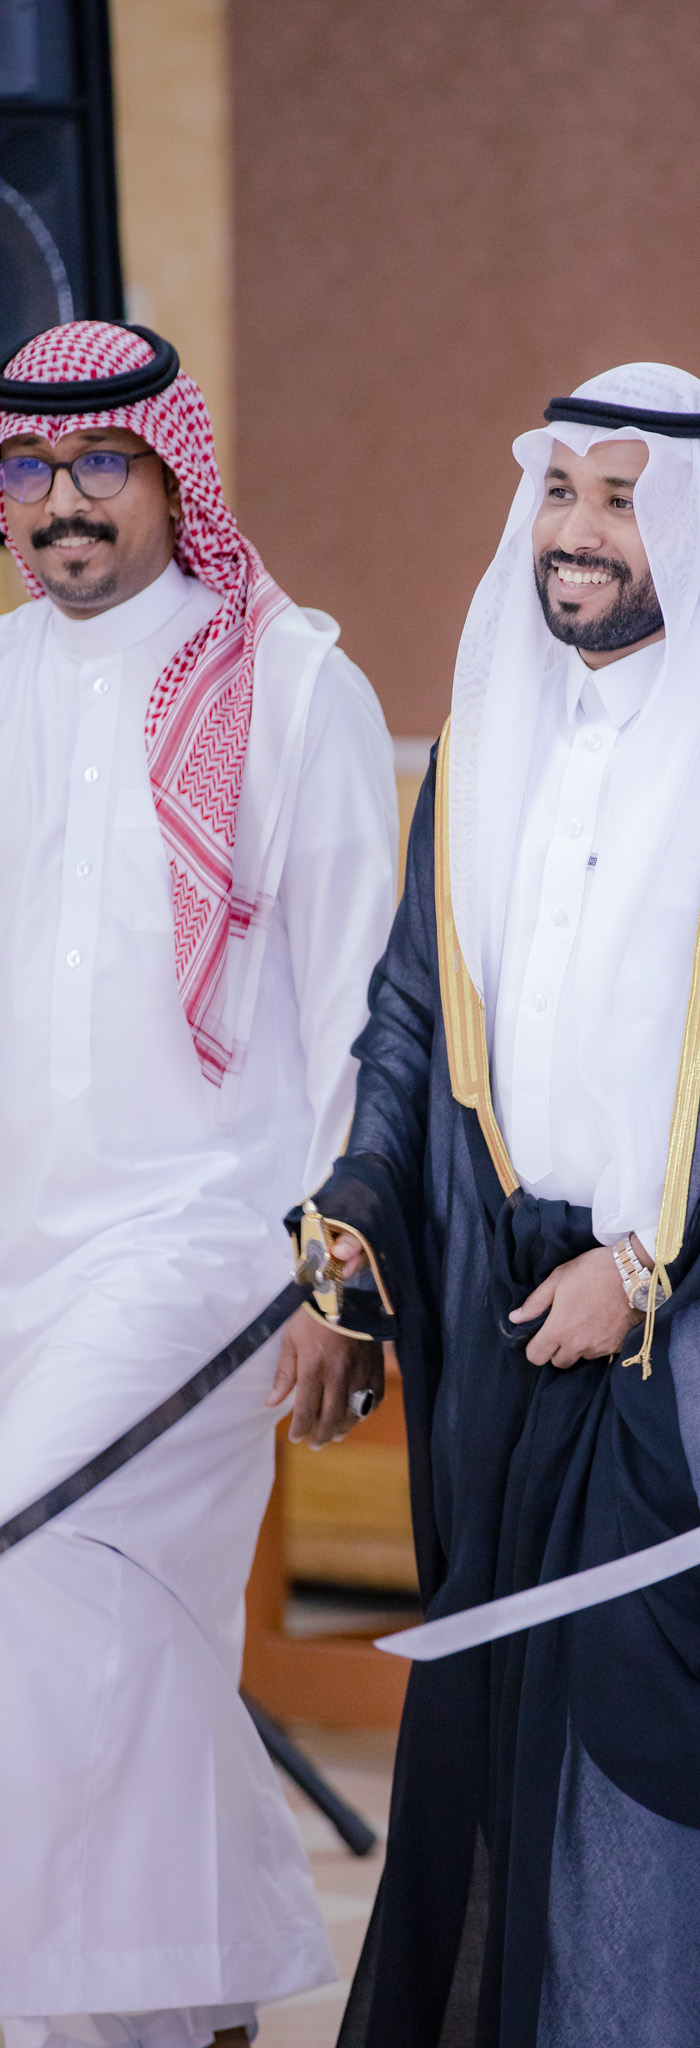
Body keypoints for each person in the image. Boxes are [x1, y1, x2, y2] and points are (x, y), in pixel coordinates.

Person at [292, 362, 700, 2048]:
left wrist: (648, 1270)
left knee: (651, 1778)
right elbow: (415, 1015)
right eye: (559, 492)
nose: (575, 533)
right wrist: (356, 1223)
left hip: (699, 1353)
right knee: (510, 1766)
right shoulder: (487, 739)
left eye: (622, 500)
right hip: (511, 1321)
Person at [0, 321, 398, 2048]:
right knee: (127, 1616)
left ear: (176, 477)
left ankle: (69, 2011)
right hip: (22, 1244)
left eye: (102, 463)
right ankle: (208, 1977)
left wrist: (344, 1270)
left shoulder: (294, 687)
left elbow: (364, 1003)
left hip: (209, 1248)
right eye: (29, 469)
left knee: (30, 1552)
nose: (63, 503)